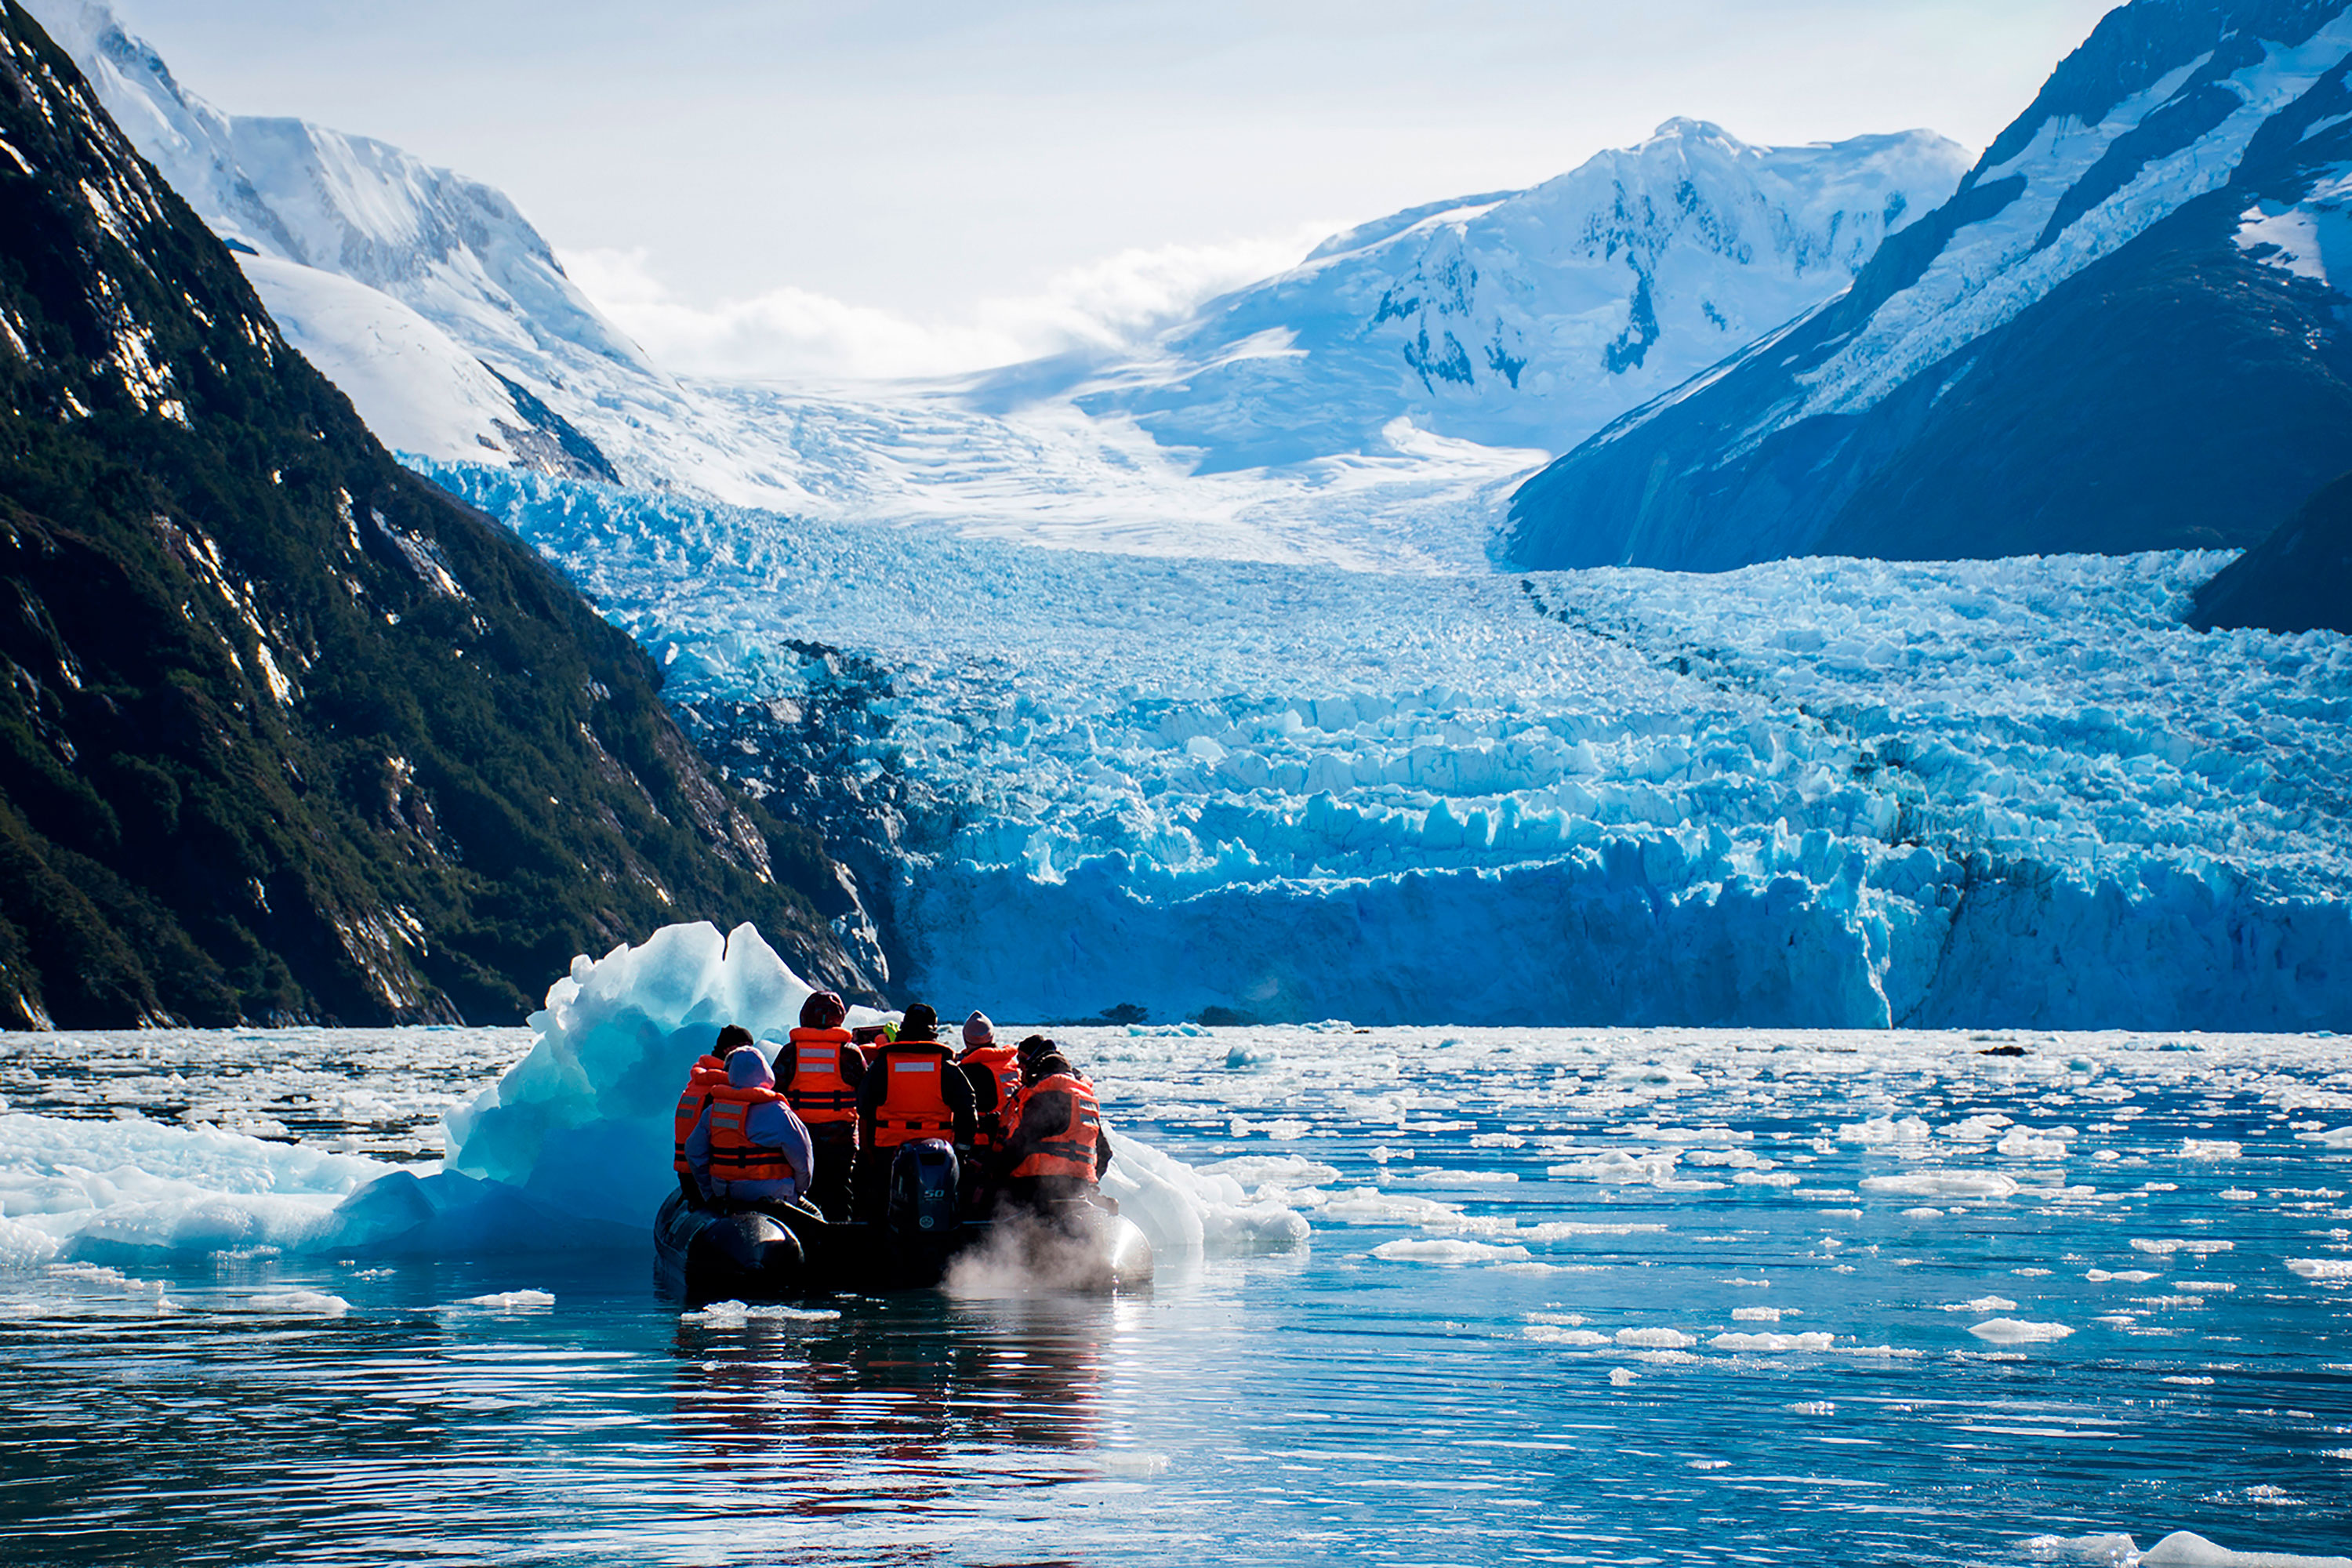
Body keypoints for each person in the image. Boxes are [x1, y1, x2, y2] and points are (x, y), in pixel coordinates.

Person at [853, 1002, 976, 1221]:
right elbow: (967, 1110)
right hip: (937, 1153)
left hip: (888, 1150)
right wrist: (962, 1151)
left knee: (883, 1211)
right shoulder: (946, 1068)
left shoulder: (882, 1066)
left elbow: (864, 1108)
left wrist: (867, 1152)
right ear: (933, 1031)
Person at [685, 1046, 816, 1210]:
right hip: (772, 1195)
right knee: (815, 1215)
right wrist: (799, 1190)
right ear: (766, 1073)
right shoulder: (779, 1112)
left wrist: (709, 1193)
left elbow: (693, 1152)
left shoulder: (713, 1112)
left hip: (725, 1193)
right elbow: (802, 1155)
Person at [774, 990, 865, 1220]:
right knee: (839, 1194)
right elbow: (868, 1091)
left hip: (799, 1138)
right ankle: (840, 1242)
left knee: (803, 1196)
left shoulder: (790, 1053)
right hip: (840, 1140)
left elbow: (773, 1094)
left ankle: (802, 1244)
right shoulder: (850, 1054)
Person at [996, 1049, 1113, 1213]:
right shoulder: (1086, 1104)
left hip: (1036, 1185)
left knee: (988, 1198)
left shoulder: (1048, 1098)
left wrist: (993, 1174)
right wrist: (1089, 1186)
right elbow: (1105, 1152)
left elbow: (1021, 1144)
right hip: (1077, 1186)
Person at [671, 1024, 751, 1203]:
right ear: (728, 1049)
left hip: (687, 1177)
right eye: (744, 1047)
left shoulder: (697, 1084)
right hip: (708, 1182)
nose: (748, 1053)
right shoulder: (721, 1091)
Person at [957, 1011, 1022, 1163]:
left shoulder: (968, 1071)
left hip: (982, 1143)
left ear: (966, 1040)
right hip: (1010, 1137)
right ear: (992, 1036)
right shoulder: (1011, 1063)